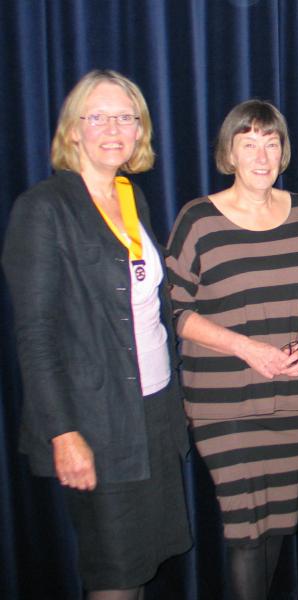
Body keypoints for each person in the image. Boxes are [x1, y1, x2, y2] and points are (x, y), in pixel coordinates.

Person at [2, 70, 191, 599]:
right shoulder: (44, 209)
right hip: (96, 422)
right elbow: (34, 334)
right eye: (99, 116)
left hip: (152, 411)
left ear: (141, 131)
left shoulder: (132, 199)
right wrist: (64, 433)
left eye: (126, 117)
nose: (114, 128)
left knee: (145, 562)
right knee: (115, 575)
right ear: (74, 130)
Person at [166, 99, 298, 600]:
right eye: (248, 143)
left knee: (276, 525)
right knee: (245, 531)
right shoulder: (199, 220)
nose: (262, 155)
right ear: (229, 153)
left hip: (294, 399)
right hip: (224, 403)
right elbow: (176, 311)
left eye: (271, 142)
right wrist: (245, 348)